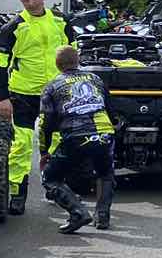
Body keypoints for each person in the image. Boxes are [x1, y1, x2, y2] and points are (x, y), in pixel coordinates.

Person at [0, 0, 77, 215]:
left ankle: (54, 187)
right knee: (22, 146)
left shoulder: (61, 21)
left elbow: (73, 55)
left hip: (57, 92)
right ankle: (17, 194)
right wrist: (2, 98)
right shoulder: (13, 28)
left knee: (58, 142)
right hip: (23, 94)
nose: (30, 2)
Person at [36, 45, 116, 233]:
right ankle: (102, 216)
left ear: (57, 64)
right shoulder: (96, 79)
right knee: (105, 174)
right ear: (78, 61)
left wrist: (44, 151)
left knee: (50, 177)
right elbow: (110, 110)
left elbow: (45, 123)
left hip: (74, 137)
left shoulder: (52, 86)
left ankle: (78, 213)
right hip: (105, 134)